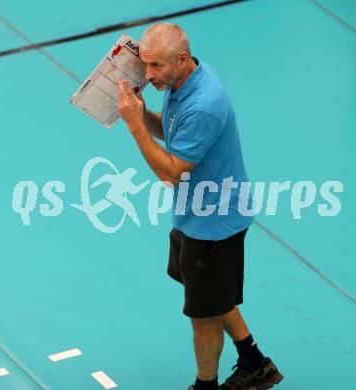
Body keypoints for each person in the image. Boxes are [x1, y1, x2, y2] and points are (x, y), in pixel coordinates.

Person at [115, 22, 283, 390]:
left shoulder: (205, 104)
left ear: (182, 58)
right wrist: (143, 112)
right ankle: (255, 362)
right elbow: (171, 130)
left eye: (156, 66)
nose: (149, 74)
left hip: (214, 224)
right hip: (194, 216)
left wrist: (134, 127)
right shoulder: (182, 81)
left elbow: (172, 172)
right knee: (211, 294)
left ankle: (205, 386)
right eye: (146, 65)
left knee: (203, 314)